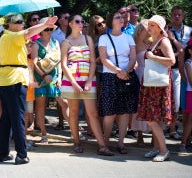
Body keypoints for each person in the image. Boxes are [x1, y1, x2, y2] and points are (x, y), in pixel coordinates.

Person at [0, 13, 58, 165]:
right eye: (19, 21)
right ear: (9, 24)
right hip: (14, 81)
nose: (23, 23)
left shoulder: (6, 37)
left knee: (7, 118)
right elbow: (29, 32)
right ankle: (21, 154)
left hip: (5, 80)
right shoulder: (12, 36)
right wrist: (45, 25)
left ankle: (4, 153)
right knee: (17, 118)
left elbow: (25, 42)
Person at [60, 15, 113, 156]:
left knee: (93, 113)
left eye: (82, 21)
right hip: (71, 81)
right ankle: (77, 142)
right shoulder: (66, 42)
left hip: (88, 80)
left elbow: (93, 62)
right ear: (71, 24)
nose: (80, 24)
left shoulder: (88, 39)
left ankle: (102, 145)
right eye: (77, 21)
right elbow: (64, 64)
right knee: (74, 112)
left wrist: (89, 81)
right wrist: (74, 83)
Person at [98, 9, 139, 154]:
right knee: (110, 112)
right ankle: (105, 143)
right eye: (117, 17)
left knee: (125, 112)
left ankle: (121, 143)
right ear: (111, 21)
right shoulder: (104, 38)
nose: (121, 19)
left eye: (122, 17)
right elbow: (103, 59)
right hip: (110, 77)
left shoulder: (129, 38)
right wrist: (118, 71)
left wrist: (125, 71)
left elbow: (133, 58)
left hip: (127, 76)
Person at [137, 15, 176, 162]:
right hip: (152, 84)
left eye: (152, 25)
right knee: (155, 119)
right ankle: (156, 148)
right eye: (149, 25)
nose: (149, 27)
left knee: (152, 119)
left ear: (160, 28)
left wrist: (152, 57)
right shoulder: (154, 41)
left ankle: (164, 150)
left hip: (159, 85)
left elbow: (172, 60)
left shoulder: (164, 41)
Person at [31, 17, 67, 144]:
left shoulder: (56, 43)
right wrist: (43, 75)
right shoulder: (35, 44)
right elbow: (34, 63)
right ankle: (44, 134)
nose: (50, 31)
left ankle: (75, 131)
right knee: (40, 108)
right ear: (41, 30)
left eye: (51, 28)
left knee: (64, 103)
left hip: (54, 78)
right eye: (47, 29)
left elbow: (59, 62)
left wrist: (59, 78)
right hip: (41, 78)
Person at [168, 6, 192, 140]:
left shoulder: (189, 30)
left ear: (183, 16)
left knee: (182, 102)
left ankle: (183, 134)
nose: (177, 17)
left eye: (179, 15)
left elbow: (187, 50)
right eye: (174, 14)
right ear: (171, 15)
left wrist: (175, 44)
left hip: (186, 69)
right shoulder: (167, 30)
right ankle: (172, 129)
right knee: (173, 100)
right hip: (170, 68)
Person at [130, 21, 151, 146]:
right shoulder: (134, 44)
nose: (149, 30)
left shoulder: (150, 42)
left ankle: (154, 134)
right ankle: (139, 135)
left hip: (150, 75)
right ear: (141, 30)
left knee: (150, 104)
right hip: (139, 75)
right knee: (139, 106)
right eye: (147, 28)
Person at [51, 11, 70, 131]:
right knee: (60, 94)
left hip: (71, 67)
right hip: (59, 67)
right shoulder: (54, 34)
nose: (68, 20)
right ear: (60, 20)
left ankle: (71, 121)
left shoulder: (73, 32)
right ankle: (61, 121)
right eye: (66, 18)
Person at [179, 40, 192, 153]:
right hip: (190, 93)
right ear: (190, 51)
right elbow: (191, 81)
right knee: (189, 120)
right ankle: (183, 143)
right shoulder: (188, 63)